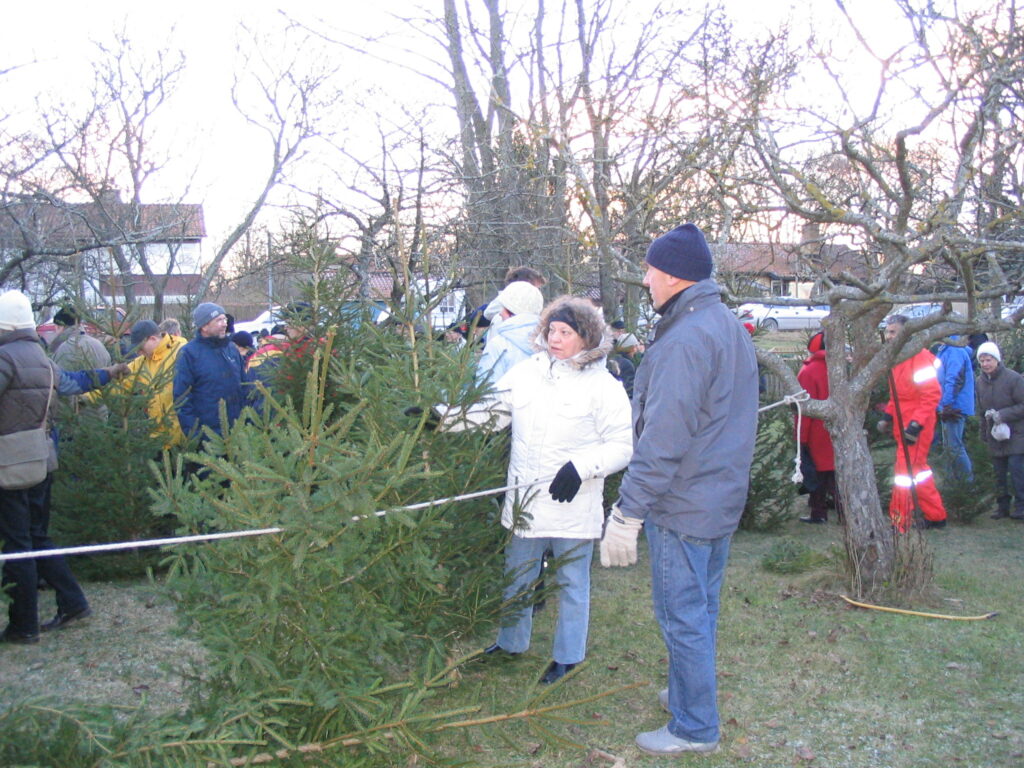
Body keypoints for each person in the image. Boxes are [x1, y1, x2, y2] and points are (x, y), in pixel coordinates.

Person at [598, 223, 759, 756]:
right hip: (718, 496)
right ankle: (691, 692)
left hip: (685, 503)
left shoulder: (687, 339)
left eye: (650, 270)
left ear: (673, 275)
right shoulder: (723, 323)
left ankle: (694, 726)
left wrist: (628, 513)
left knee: (682, 616)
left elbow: (663, 439)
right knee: (700, 610)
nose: (645, 280)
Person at [439, 296, 632, 684]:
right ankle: (511, 642)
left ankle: (568, 657)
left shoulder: (603, 386)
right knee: (518, 576)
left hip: (572, 503)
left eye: (566, 332)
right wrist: (441, 418)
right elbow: (492, 410)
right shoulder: (527, 372)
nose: (555, 338)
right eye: (552, 330)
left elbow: (622, 446)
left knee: (572, 582)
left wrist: (581, 468)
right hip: (525, 502)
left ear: (586, 337)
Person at [0, 290, 127, 644]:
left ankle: (23, 625)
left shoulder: (4, 358)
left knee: (18, 544)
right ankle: (73, 602)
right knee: (39, 536)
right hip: (43, 458)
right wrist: (109, 373)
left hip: (8, 463)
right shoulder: (41, 359)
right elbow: (74, 383)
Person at [877, 314, 947, 531]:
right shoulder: (898, 358)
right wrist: (888, 416)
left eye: (893, 332)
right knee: (919, 472)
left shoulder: (919, 357)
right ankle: (936, 516)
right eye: (887, 332)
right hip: (904, 423)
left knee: (904, 474)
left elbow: (931, 395)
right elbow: (897, 396)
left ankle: (899, 521)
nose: (889, 336)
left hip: (916, 426)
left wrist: (916, 425)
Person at [92, 320, 187, 447]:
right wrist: (85, 396)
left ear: (153, 339)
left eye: (140, 348)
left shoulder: (183, 352)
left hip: (185, 439)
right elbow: (117, 385)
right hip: (158, 440)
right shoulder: (141, 363)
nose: (139, 352)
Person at [173, 302, 254, 447]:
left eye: (225, 319)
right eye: (219, 320)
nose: (224, 324)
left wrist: (248, 422)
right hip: (208, 440)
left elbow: (245, 386)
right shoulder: (189, 354)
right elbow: (182, 398)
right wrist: (195, 436)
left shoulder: (231, 349)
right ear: (204, 326)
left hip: (238, 434)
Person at [975, 341, 1024, 520]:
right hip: (994, 435)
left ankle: (1021, 507)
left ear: (997, 359)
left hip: (1016, 433)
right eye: (982, 361)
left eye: (988, 360)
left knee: (1017, 471)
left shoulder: (1014, 379)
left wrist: (1002, 415)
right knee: (998, 474)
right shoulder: (979, 382)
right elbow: (981, 411)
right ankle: (1002, 507)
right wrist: (983, 433)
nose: (985, 364)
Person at [796, 331, 842, 523]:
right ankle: (844, 512)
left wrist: (801, 437)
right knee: (832, 472)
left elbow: (804, 409)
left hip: (816, 430)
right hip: (837, 426)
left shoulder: (808, 371)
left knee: (818, 473)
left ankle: (819, 513)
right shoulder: (838, 369)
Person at [475, 281, 544, 385]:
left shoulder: (498, 344)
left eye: (505, 309)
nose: (500, 313)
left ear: (512, 312)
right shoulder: (550, 342)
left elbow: (485, 388)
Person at [934, 336, 975, 484]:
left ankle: (968, 485)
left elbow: (954, 379)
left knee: (954, 447)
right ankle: (953, 483)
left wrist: (946, 405)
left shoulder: (954, 351)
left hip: (954, 408)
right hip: (948, 406)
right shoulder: (945, 350)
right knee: (949, 447)